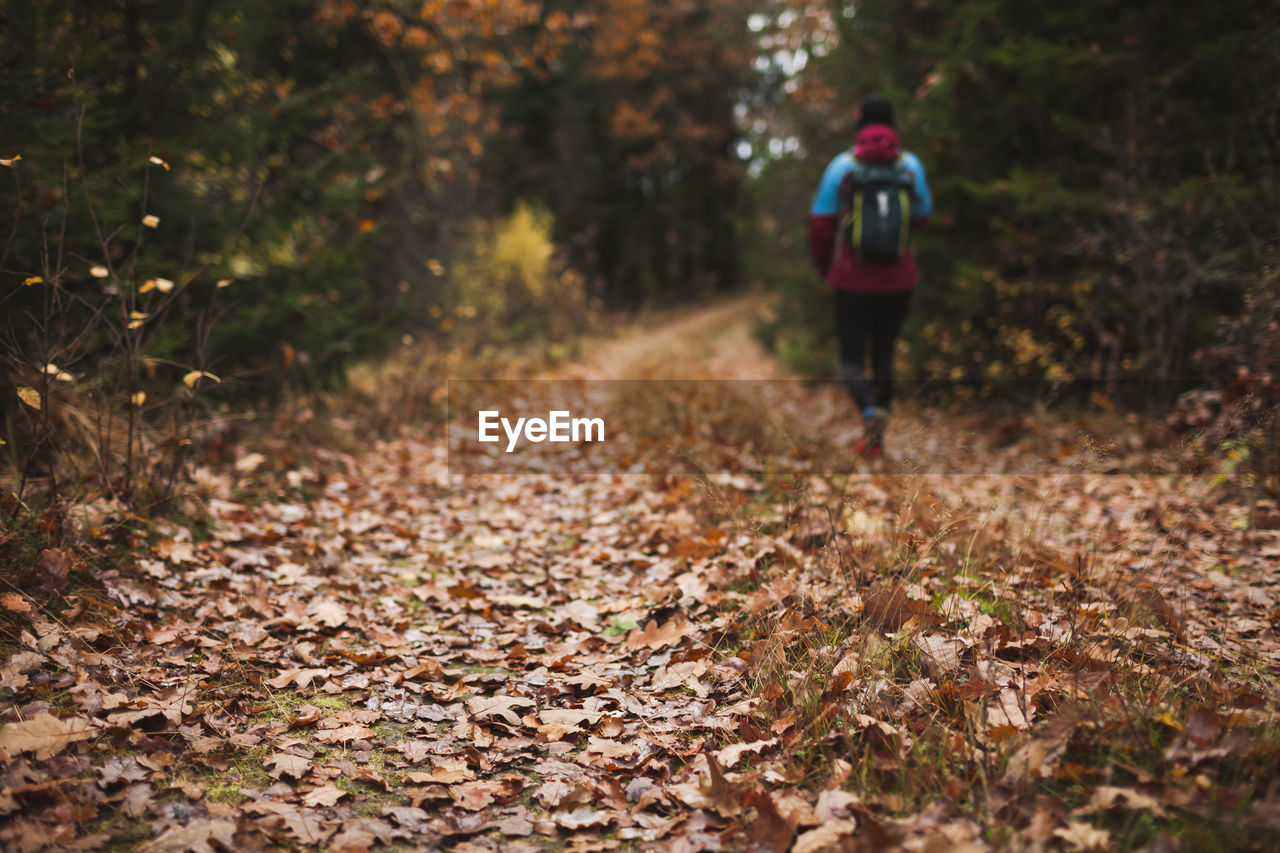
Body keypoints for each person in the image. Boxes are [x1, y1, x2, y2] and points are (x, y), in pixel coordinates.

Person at [808, 94, 932, 458]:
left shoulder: (842, 167)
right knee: (884, 354)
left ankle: (868, 411)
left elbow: (820, 225)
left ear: (859, 122)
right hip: (899, 279)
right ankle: (876, 438)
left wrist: (823, 268)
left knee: (851, 359)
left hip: (851, 280)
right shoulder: (910, 165)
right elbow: (923, 217)